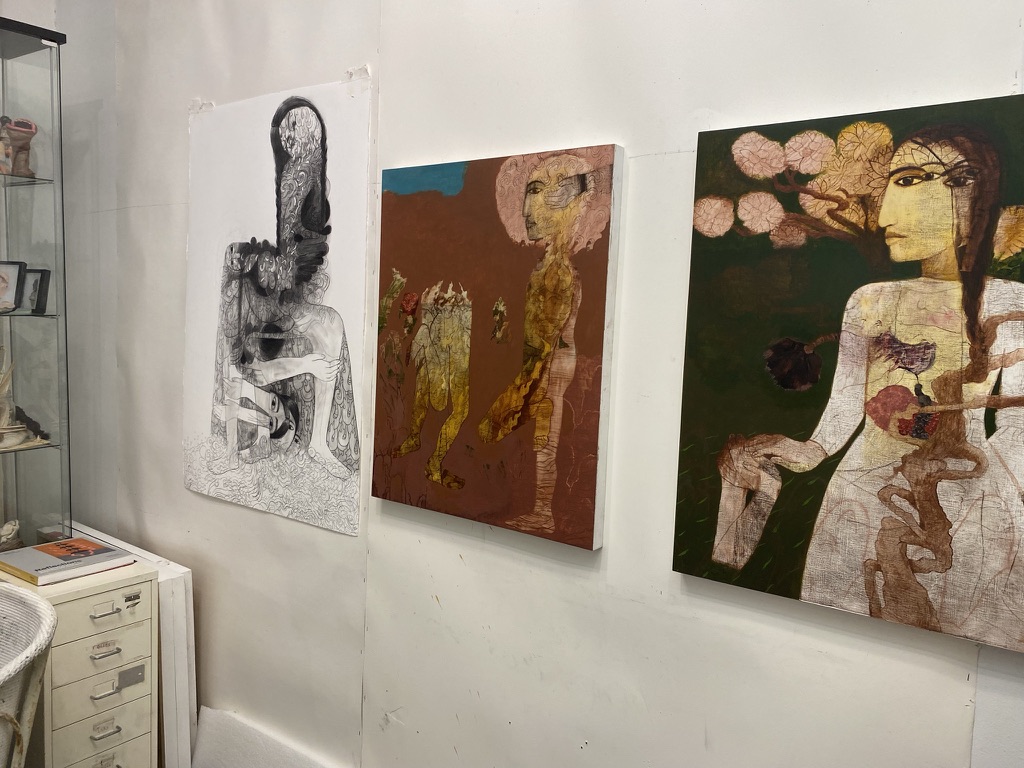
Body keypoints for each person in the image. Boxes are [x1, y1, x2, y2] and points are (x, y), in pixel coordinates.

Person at [716, 125, 1024, 648]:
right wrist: (794, 451)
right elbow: (841, 417)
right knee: (847, 637)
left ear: (966, 190)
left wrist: (979, 488)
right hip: (861, 496)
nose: (882, 216)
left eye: (908, 181)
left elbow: (1017, 428)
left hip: (971, 504)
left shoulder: (1009, 302)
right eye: (889, 186)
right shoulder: (869, 300)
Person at [479, 149, 612, 533]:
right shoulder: (550, 267)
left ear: (566, 202)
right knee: (543, 438)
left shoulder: (558, 272)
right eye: (528, 192)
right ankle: (540, 510)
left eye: (537, 191)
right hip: (548, 361)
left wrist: (525, 385)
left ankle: (543, 512)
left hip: (551, 365)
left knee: (545, 440)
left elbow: (550, 334)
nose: (526, 208)